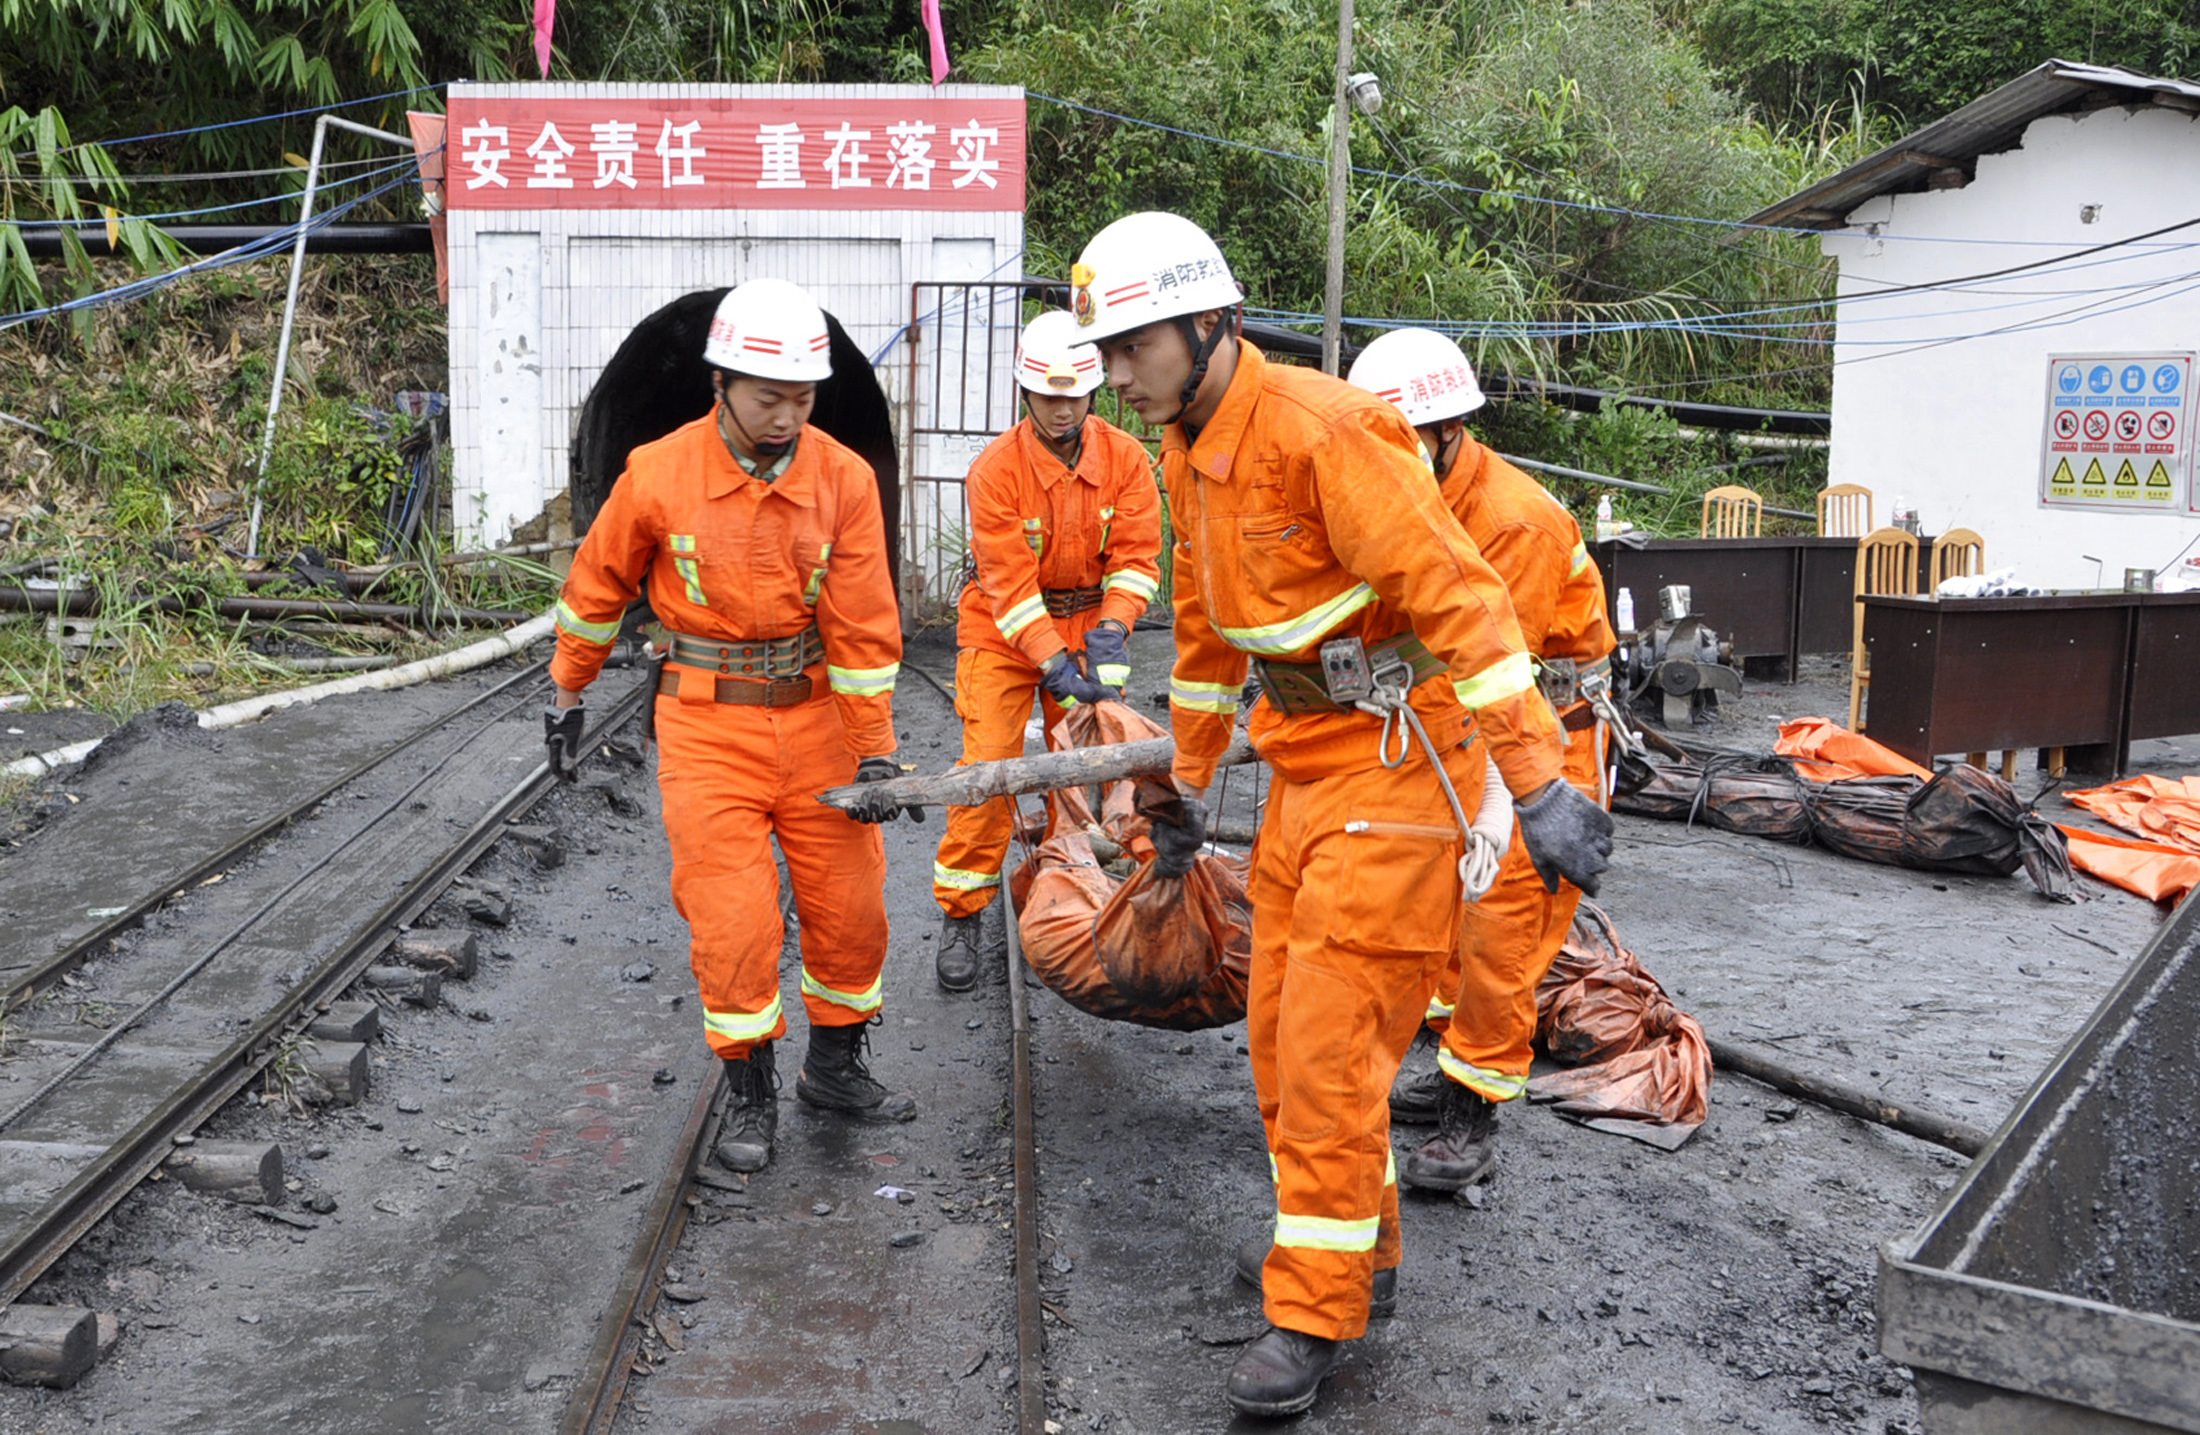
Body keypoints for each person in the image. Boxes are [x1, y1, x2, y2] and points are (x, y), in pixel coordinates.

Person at [1071, 213, 1614, 1417]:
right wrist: (1180, 782)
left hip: (1397, 768)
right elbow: (1213, 630)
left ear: (1208, 322)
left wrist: (1536, 784)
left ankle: (1311, 1314)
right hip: (1306, 773)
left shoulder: (1327, 430)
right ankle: (1347, 1257)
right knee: (1275, 1037)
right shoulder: (1186, 443)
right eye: (1107, 352)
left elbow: (1465, 601)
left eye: (1133, 345)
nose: (1115, 376)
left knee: (1329, 1045)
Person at [544, 276, 918, 1177]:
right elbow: (596, 590)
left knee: (853, 908)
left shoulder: (843, 480)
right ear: (720, 384)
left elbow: (864, 626)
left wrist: (875, 752)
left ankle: (833, 1069)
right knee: (734, 919)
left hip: (819, 718)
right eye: (768, 397)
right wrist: (567, 690)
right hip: (707, 727)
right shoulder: (659, 474)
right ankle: (749, 1089)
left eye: (803, 396)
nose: (788, 415)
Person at [1347, 327, 1619, 1194]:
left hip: (1542, 737)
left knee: (1502, 926)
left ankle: (1474, 1118)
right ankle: (1454, 1072)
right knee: (1447, 915)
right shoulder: (1412, 491)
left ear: (1448, 430)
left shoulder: (1511, 522)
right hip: (1462, 729)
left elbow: (1500, 669)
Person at [930, 310, 1163, 990]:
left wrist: (1113, 628)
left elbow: (1138, 559)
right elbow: (1008, 585)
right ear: (1024, 393)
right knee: (990, 768)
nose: (1061, 409)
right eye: (1047, 395)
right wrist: (1051, 660)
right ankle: (963, 910)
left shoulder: (1126, 460)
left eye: (1073, 395)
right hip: (1004, 634)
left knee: (1084, 765)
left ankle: (1069, 902)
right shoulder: (996, 471)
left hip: (1088, 623)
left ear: (1094, 392)